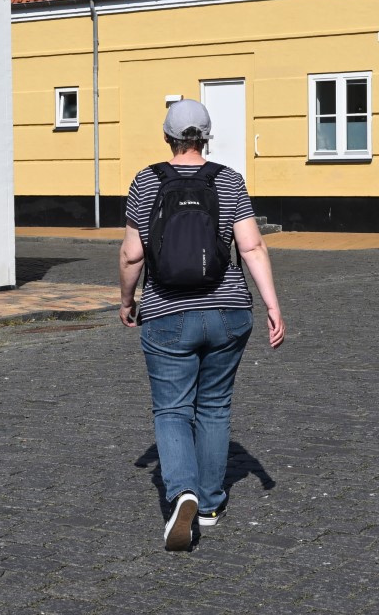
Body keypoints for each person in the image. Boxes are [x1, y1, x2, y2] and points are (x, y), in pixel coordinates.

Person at [119, 99, 285, 552]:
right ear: (206, 137)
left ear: (167, 136)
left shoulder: (146, 181)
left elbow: (132, 254)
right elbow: (252, 248)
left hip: (167, 312)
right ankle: (210, 504)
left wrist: (127, 300)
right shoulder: (228, 180)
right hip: (229, 313)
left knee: (173, 410)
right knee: (214, 407)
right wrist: (272, 306)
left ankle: (183, 493)